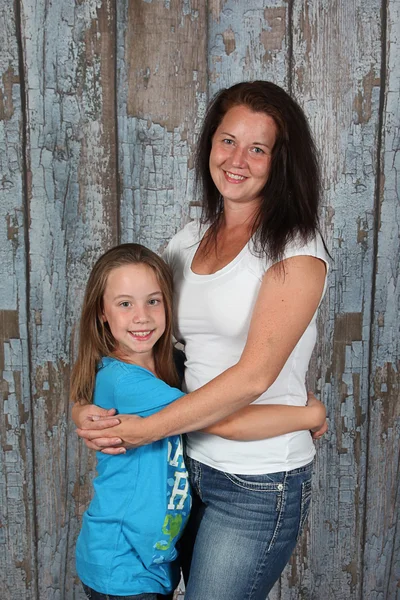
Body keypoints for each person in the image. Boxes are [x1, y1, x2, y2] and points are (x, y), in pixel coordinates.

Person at [72, 80, 329, 600]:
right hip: (187, 466)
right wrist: (83, 407)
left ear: (280, 162)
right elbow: (134, 341)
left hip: (255, 481)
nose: (238, 159)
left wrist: (143, 430)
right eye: (227, 140)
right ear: (210, 144)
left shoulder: (296, 251)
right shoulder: (187, 241)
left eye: (258, 148)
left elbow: (251, 380)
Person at [70, 244, 192, 599]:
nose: (142, 316)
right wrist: (302, 414)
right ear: (102, 313)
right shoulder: (126, 380)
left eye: (153, 301)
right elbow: (217, 416)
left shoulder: (174, 366)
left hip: (151, 561)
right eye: (125, 304)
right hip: (121, 561)